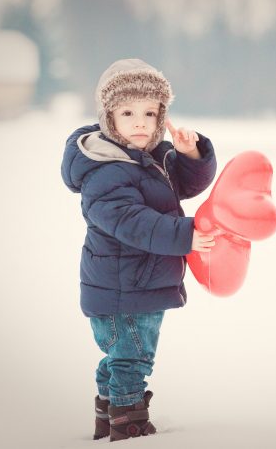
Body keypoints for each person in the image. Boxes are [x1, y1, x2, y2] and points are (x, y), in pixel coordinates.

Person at [60, 58, 217, 441]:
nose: (141, 123)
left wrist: (189, 156)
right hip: (123, 290)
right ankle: (129, 423)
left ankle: (107, 412)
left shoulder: (152, 157)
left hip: (136, 283)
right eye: (127, 112)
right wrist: (185, 234)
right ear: (108, 116)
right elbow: (132, 222)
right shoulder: (105, 169)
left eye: (150, 112)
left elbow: (186, 184)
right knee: (133, 357)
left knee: (120, 356)